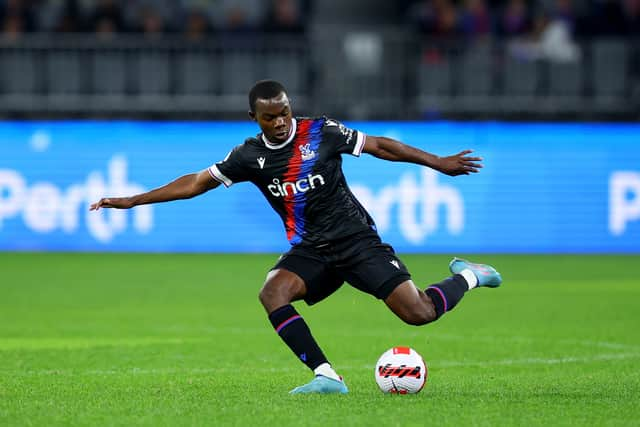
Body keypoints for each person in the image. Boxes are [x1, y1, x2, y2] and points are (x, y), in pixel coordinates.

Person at [90, 80, 502, 394]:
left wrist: (438, 162)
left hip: (356, 240)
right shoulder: (248, 157)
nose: (281, 120)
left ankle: (469, 275)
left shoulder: (320, 133)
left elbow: (380, 146)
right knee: (272, 292)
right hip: (311, 250)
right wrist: (132, 200)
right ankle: (326, 376)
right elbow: (197, 182)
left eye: (285, 111)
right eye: (271, 116)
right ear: (255, 118)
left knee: (420, 314)